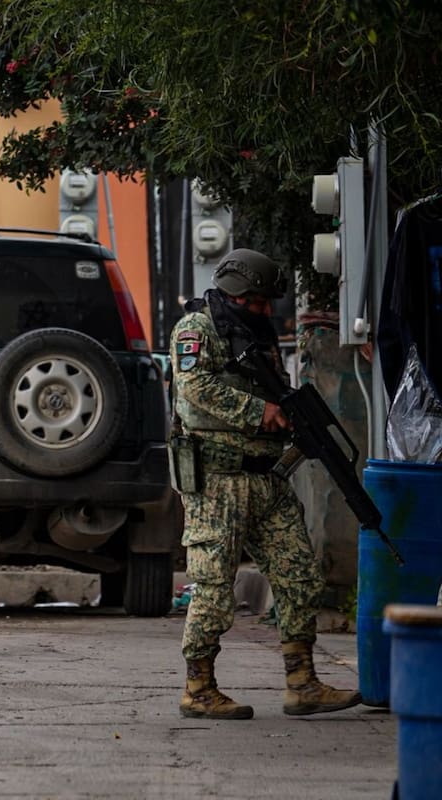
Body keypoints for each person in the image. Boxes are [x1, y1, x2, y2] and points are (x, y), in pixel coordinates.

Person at [168, 248, 362, 719]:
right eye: (253, 300)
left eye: (266, 302)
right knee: (213, 587)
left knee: (300, 576)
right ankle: (199, 687)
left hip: (267, 478)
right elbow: (195, 389)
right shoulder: (196, 329)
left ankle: (302, 682)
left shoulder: (258, 333)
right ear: (233, 290)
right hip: (217, 481)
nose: (262, 310)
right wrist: (260, 412)